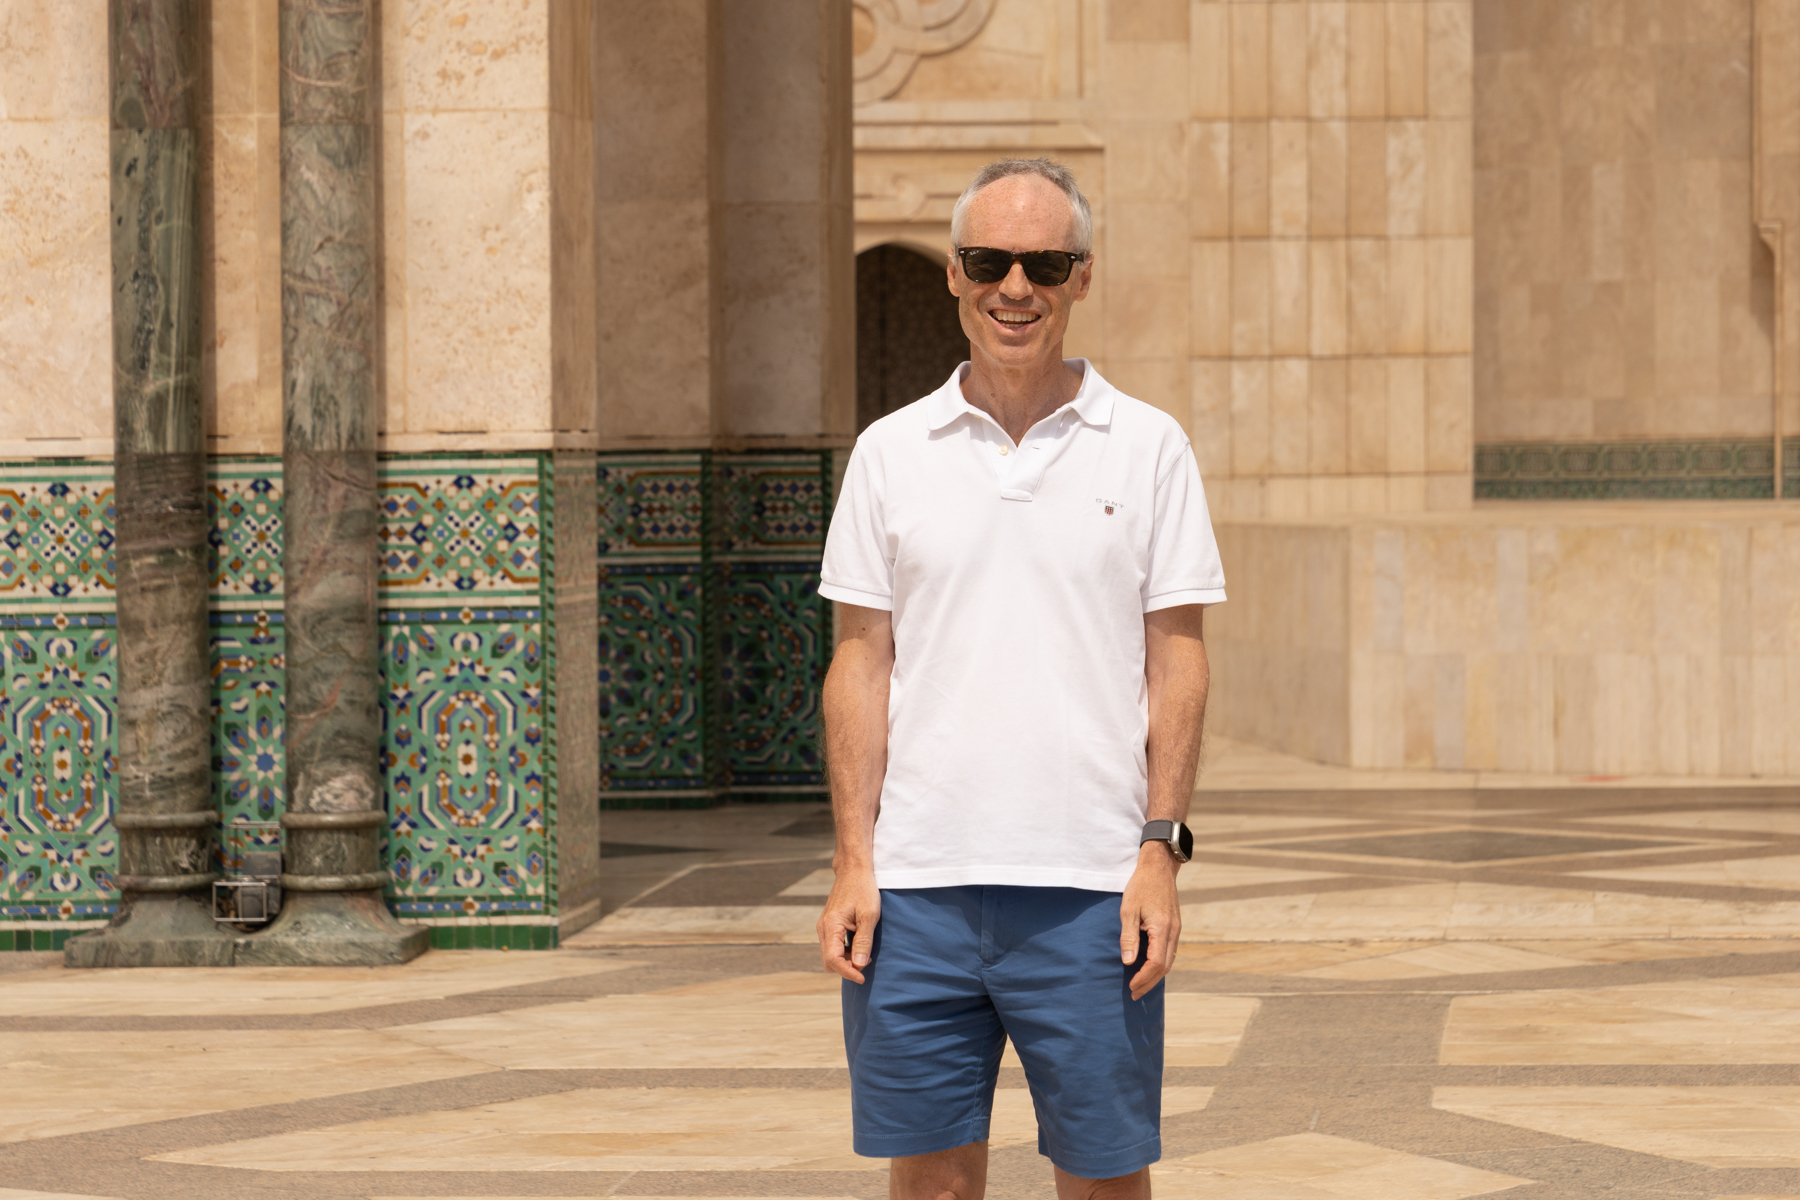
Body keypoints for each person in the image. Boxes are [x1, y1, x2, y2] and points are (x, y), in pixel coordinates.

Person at [815, 157, 1226, 1200]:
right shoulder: (888, 453)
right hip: (915, 893)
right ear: (953, 275)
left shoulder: (1149, 449)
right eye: (990, 261)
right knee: (936, 1187)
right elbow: (860, 661)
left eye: (1044, 264)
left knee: (1101, 1182)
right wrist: (854, 862)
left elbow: (1178, 660)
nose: (1015, 288)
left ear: (1081, 277)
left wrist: (1159, 853)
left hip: (1094, 894)